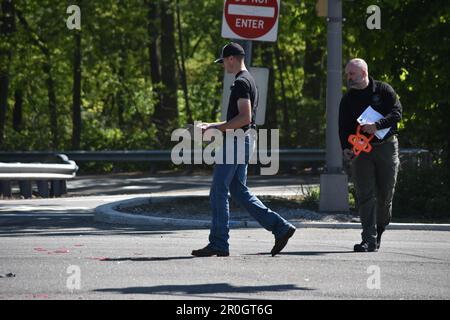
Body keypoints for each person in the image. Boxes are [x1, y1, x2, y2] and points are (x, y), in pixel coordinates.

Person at [191, 42, 296, 257]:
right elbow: (241, 118)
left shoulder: (240, 82)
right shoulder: (250, 81)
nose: (223, 66)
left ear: (231, 58)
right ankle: (280, 227)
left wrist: (214, 127)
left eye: (224, 62)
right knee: (238, 190)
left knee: (218, 190)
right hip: (246, 139)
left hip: (238, 141)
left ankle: (219, 243)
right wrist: (214, 125)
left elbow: (244, 117)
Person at [339, 58, 402, 252]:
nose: (348, 77)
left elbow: (397, 113)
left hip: (386, 147)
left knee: (385, 195)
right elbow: (343, 126)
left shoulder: (383, 90)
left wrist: (377, 125)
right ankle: (368, 239)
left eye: (352, 74)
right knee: (365, 194)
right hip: (361, 151)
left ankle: (380, 229)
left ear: (363, 74)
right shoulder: (348, 98)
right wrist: (345, 147)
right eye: (347, 74)